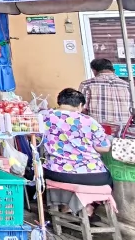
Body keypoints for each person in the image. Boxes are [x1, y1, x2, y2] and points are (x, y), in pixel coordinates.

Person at [40, 88, 113, 218]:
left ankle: (67, 207)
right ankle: (88, 209)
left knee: (55, 176)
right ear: (80, 105)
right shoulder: (89, 121)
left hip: (57, 172)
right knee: (108, 180)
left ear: (60, 102)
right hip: (93, 175)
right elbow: (104, 148)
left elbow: (33, 136)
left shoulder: (45, 117)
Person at [79, 58, 135, 134]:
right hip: (125, 132)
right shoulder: (130, 87)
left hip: (98, 132)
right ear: (113, 70)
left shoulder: (86, 85)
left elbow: (81, 109)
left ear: (94, 70)